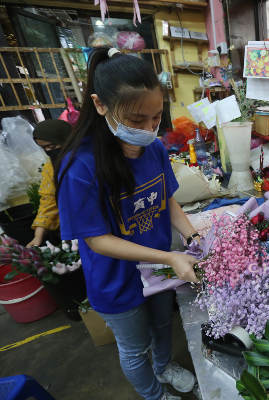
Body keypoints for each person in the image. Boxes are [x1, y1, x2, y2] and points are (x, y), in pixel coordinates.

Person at [55, 47, 200, 400]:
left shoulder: (154, 148)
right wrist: (170, 258)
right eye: (137, 120)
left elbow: (166, 199)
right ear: (100, 104)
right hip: (116, 281)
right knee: (135, 348)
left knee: (164, 325)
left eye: (156, 118)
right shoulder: (81, 167)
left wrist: (192, 235)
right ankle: (154, 394)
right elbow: (97, 240)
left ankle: (165, 366)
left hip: (160, 266)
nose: (149, 129)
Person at [27, 119, 73, 247]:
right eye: (44, 148)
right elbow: (49, 200)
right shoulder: (51, 168)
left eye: (52, 146)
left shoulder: (92, 159)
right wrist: (38, 236)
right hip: (75, 228)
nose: (49, 151)